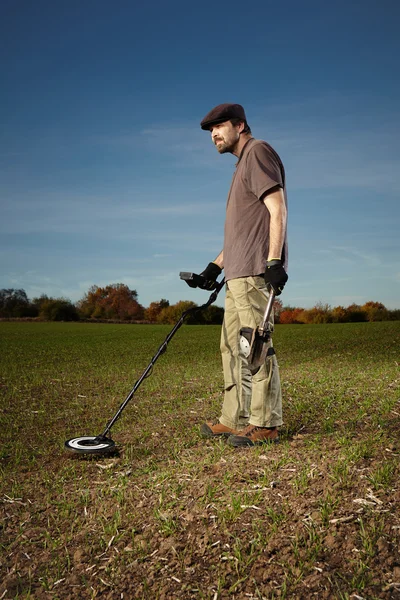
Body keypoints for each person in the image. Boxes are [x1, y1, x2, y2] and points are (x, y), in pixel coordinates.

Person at [191, 103, 288, 447]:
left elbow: (277, 208)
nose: (214, 134)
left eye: (219, 127)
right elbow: (240, 232)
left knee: (255, 347)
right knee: (232, 348)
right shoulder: (240, 166)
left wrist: (274, 261)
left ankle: (266, 423)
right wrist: (214, 267)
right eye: (210, 131)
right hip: (236, 274)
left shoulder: (258, 152)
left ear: (240, 125)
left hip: (253, 272)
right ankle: (234, 419)